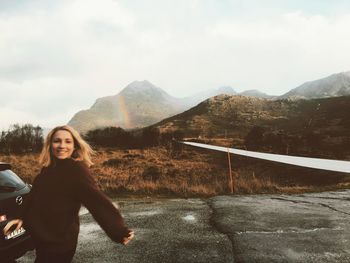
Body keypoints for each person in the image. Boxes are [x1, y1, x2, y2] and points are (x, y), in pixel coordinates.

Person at [3, 125, 134, 263]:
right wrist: (20, 218)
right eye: (57, 141)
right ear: (50, 145)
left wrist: (119, 231)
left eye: (68, 141)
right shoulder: (48, 170)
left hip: (60, 243)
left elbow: (97, 201)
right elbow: (34, 196)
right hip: (43, 241)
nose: (62, 145)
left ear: (74, 146)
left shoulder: (76, 170)